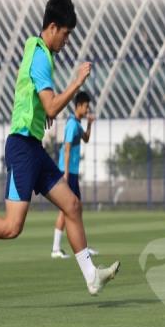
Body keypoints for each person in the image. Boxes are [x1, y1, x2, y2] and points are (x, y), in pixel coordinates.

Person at [0, 0, 120, 295]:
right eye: (66, 34)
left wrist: (41, 109)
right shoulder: (39, 57)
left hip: (34, 148)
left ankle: (92, 276)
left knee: (72, 205)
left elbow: (36, 98)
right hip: (22, 148)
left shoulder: (38, 50)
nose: (67, 41)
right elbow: (52, 107)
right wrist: (76, 82)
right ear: (53, 27)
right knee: (12, 227)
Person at [51, 91, 99, 259]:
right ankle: (56, 248)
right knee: (67, 209)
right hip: (68, 173)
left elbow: (85, 138)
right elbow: (67, 148)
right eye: (86, 106)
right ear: (78, 106)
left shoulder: (77, 124)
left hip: (72, 172)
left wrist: (90, 124)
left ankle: (82, 247)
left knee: (76, 208)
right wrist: (65, 174)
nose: (87, 110)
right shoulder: (72, 124)